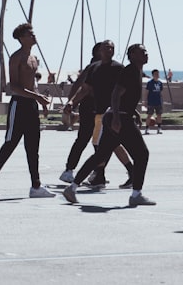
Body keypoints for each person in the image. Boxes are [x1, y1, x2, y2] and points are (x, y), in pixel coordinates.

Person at [63, 44, 155, 207]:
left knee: (101, 155)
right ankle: (136, 194)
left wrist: (133, 111)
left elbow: (124, 96)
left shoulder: (134, 70)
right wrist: (117, 118)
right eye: (142, 52)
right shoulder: (130, 70)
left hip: (117, 115)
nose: (146, 54)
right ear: (132, 55)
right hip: (120, 118)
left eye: (146, 52)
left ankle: (72, 187)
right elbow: (116, 94)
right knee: (142, 154)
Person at [0, 23, 55, 199]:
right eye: (30, 34)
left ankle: (36, 186)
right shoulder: (16, 57)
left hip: (32, 106)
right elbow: (14, 86)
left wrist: (42, 102)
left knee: (33, 147)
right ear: (22, 38)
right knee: (10, 143)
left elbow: (33, 84)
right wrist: (36, 97)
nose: (34, 36)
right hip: (19, 105)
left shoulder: (34, 58)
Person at [61, 40, 134, 189]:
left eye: (112, 48)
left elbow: (127, 90)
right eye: (106, 47)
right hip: (99, 112)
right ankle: (130, 173)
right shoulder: (94, 68)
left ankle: (98, 177)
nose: (109, 50)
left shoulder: (118, 68)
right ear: (99, 50)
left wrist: (130, 109)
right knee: (110, 144)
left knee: (102, 145)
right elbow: (85, 88)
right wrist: (71, 102)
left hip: (111, 112)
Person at [145, 69, 164, 135]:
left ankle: (159, 128)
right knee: (149, 115)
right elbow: (147, 93)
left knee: (159, 115)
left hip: (158, 102)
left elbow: (161, 93)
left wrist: (162, 101)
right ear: (153, 75)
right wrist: (145, 101)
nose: (157, 75)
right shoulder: (150, 83)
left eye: (158, 74)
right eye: (156, 74)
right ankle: (147, 129)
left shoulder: (160, 83)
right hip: (151, 102)